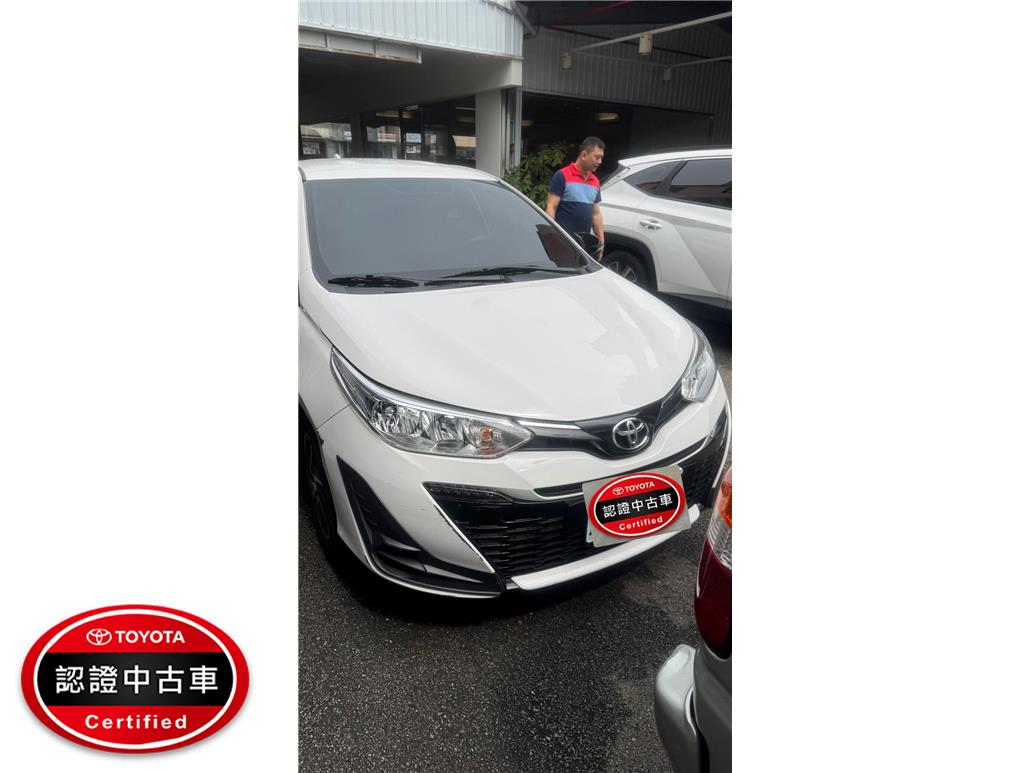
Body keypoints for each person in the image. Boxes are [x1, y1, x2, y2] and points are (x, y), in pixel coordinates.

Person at [546, 137, 606, 260]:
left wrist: (601, 242)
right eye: (597, 157)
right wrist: (552, 238)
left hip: (584, 246)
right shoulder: (562, 176)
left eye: (601, 158)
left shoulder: (595, 181)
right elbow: (551, 208)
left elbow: (596, 214)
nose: (600, 162)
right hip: (562, 244)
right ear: (584, 155)